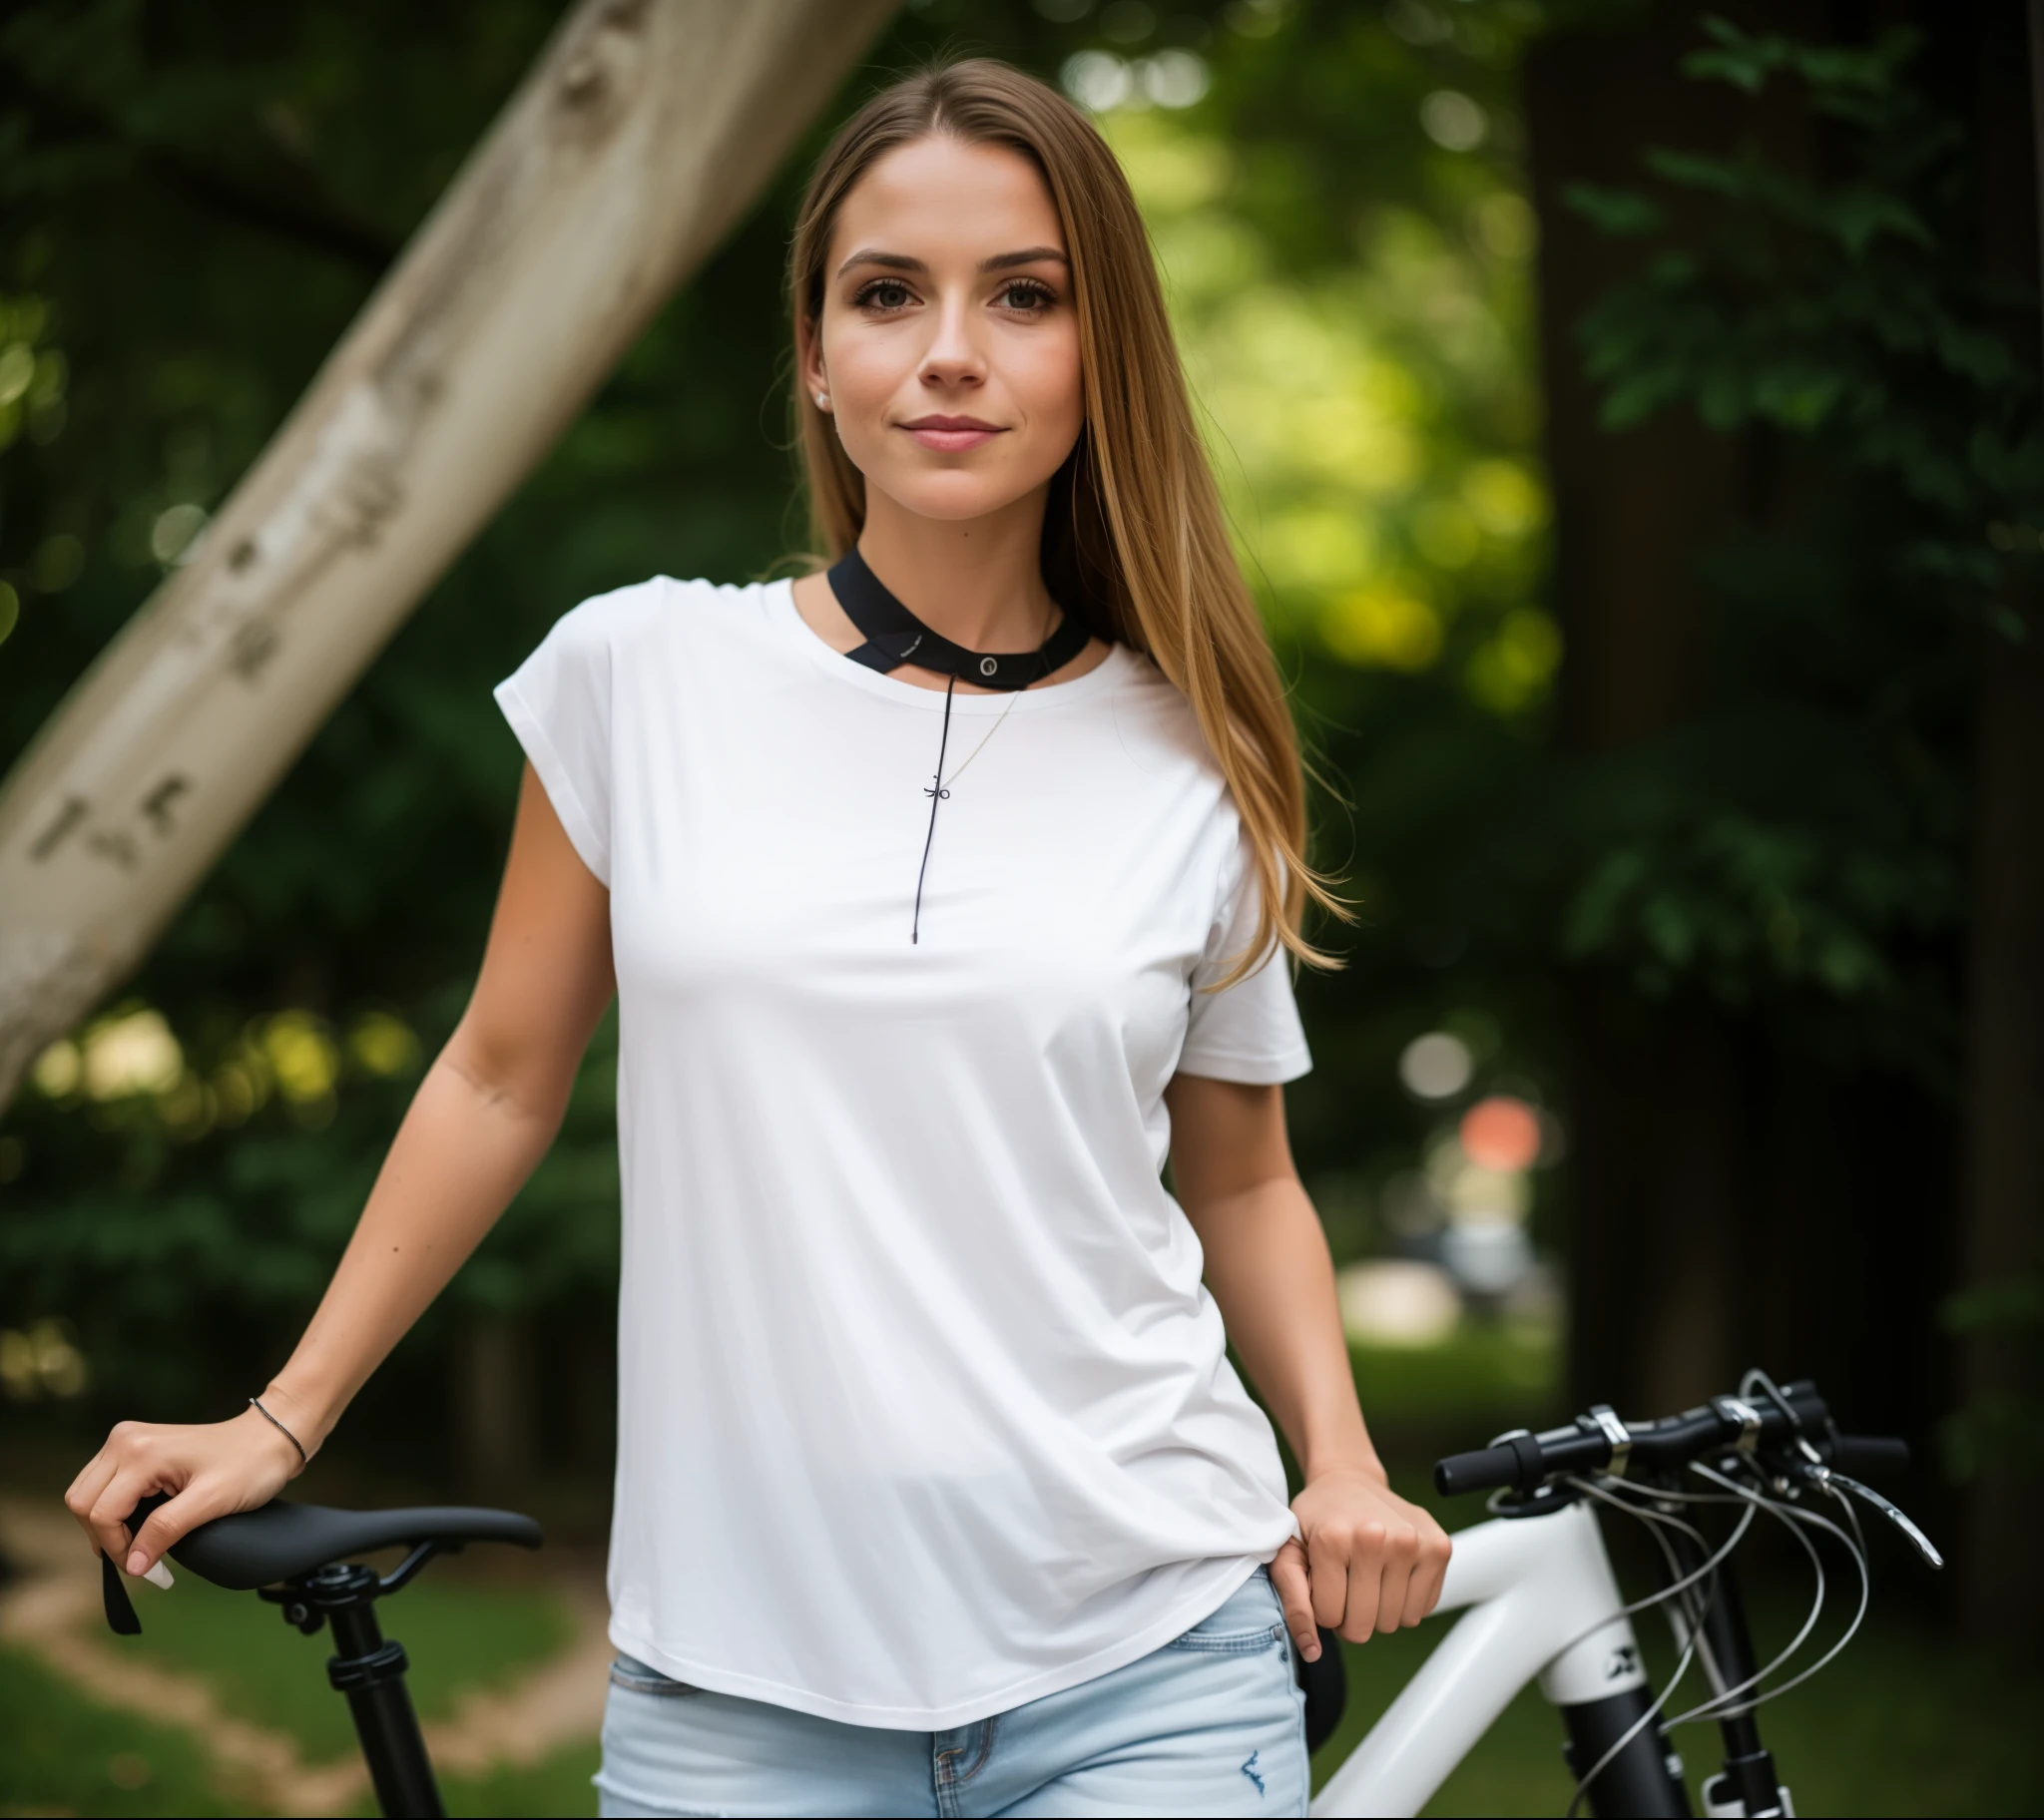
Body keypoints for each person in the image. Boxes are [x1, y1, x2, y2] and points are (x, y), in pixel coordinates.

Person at [64, 59, 1450, 1818]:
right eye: (888, 293)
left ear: (1105, 357)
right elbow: (500, 1075)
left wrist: (1340, 1462)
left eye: (1024, 296)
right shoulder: (639, 675)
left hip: (1151, 1652)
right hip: (737, 1694)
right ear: (815, 352)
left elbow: (1241, 1178)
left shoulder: (1203, 756)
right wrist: (282, 1416)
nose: (951, 349)